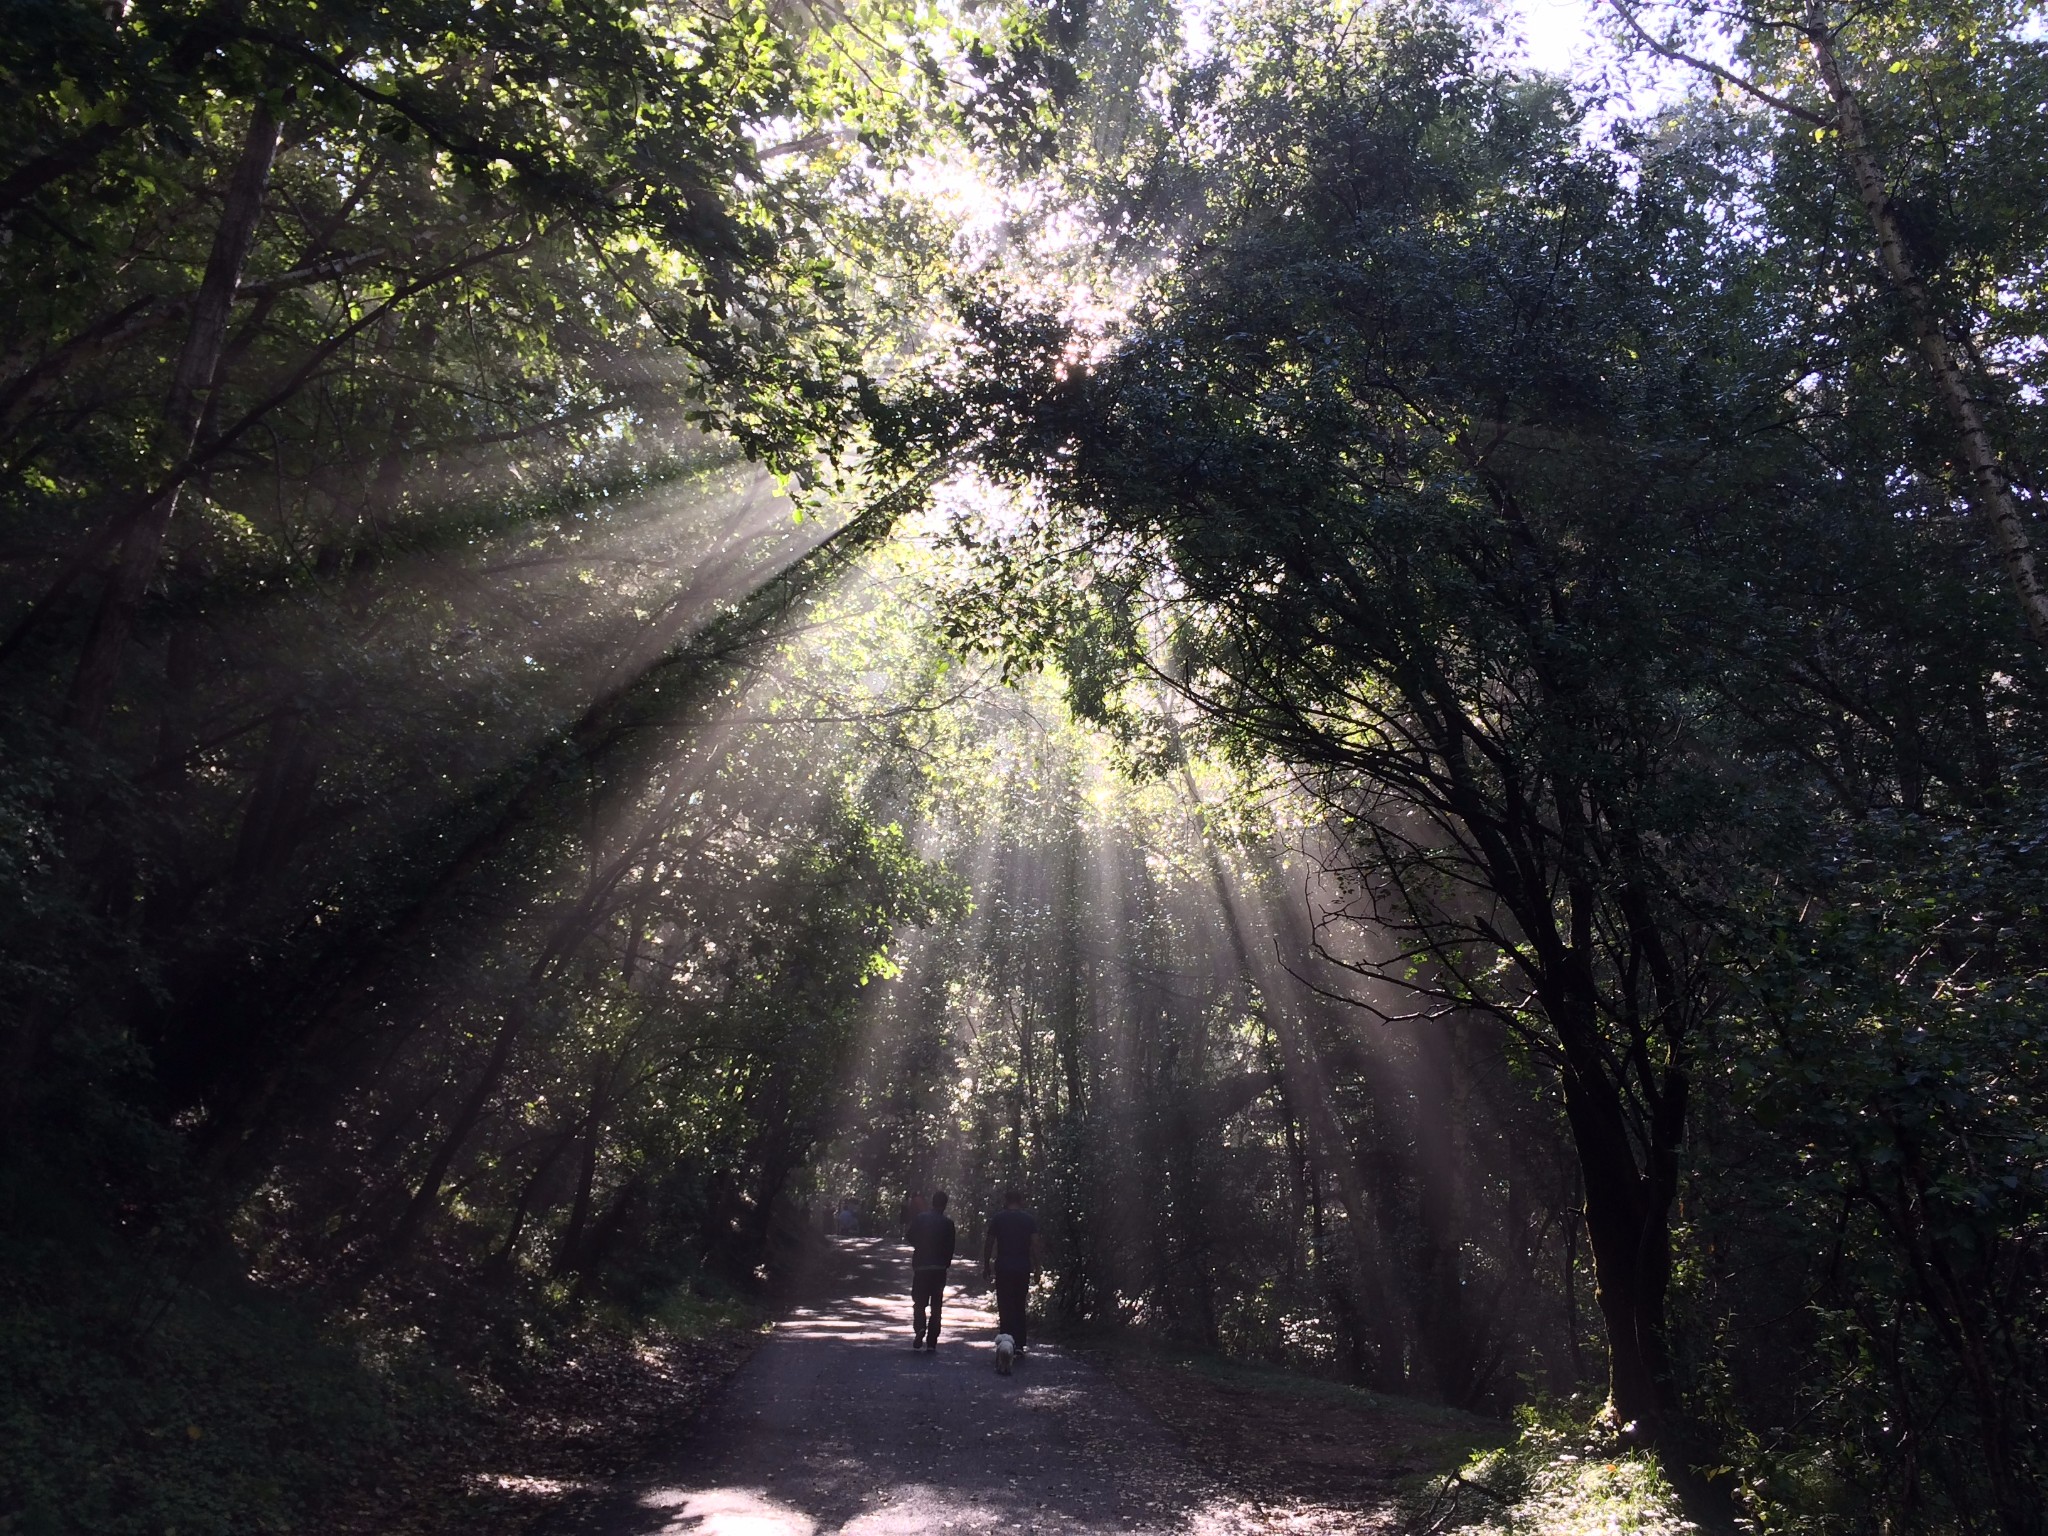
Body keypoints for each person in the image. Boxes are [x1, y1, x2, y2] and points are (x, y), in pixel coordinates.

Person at [982, 1186, 1037, 1356]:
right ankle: (1019, 1344)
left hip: (1004, 1266)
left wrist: (986, 1264)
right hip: (1022, 1267)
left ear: (1006, 1202)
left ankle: (1006, 1342)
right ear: (1020, 1202)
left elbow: (990, 1242)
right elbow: (1035, 1244)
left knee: (1005, 1306)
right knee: (1019, 1304)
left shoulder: (999, 1219)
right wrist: (1038, 1266)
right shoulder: (1029, 1220)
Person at [904, 1189, 955, 1351]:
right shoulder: (948, 1223)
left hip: (921, 1267)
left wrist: (920, 1247)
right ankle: (932, 1341)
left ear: (932, 1202)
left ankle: (920, 1327)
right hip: (939, 1268)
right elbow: (951, 1247)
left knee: (919, 1302)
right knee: (936, 1305)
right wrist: (945, 1263)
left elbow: (909, 1236)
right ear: (945, 1205)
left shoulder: (920, 1219)